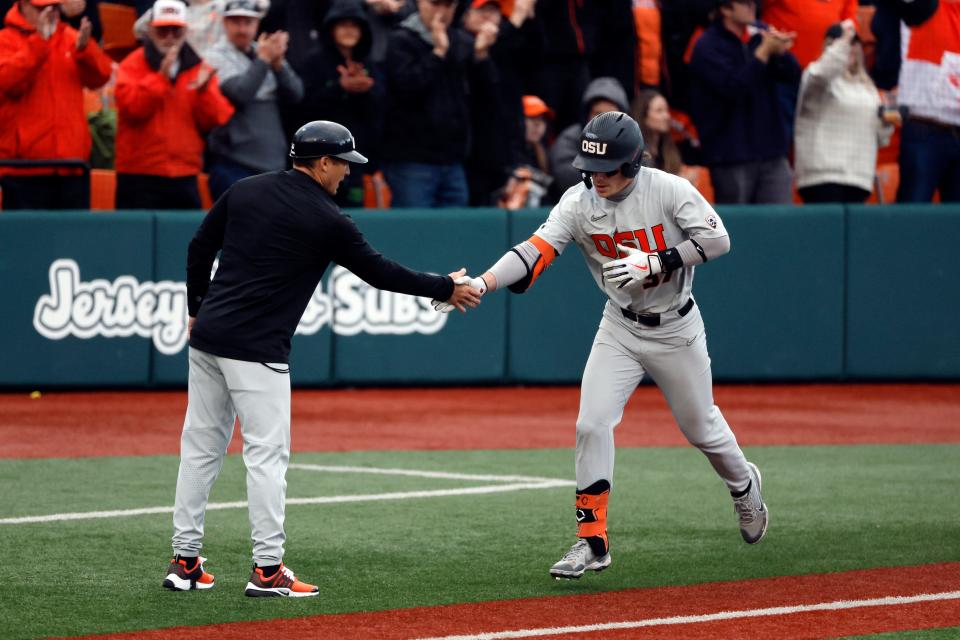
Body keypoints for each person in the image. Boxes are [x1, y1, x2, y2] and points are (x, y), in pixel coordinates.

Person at [435, 111, 767, 579]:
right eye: (590, 168)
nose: (597, 177)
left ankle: (742, 483)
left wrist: (658, 261)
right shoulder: (578, 201)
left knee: (701, 427)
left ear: (632, 164)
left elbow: (718, 240)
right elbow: (534, 251)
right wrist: (485, 284)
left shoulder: (667, 188)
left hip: (675, 325)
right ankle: (593, 541)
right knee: (591, 423)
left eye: (608, 167)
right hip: (620, 326)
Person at [164, 120, 482, 597]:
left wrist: (196, 309)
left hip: (209, 339)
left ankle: (185, 562)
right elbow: (379, 272)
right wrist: (445, 286)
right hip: (257, 350)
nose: (347, 175)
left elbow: (198, 247)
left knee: (201, 449)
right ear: (322, 162)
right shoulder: (325, 217)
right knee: (267, 458)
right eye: (344, 165)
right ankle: (267, 570)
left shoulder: (246, 190)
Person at [114, 0, 234, 209]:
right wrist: (161, 79)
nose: (169, 37)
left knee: (184, 240)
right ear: (150, 31)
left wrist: (204, 92)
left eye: (176, 31)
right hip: (139, 174)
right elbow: (133, 109)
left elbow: (216, 119)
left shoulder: (198, 67)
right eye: (163, 30)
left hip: (183, 174)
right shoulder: (131, 65)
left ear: (185, 31)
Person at [380, 0, 497, 208]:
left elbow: (487, 96)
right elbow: (406, 88)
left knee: (455, 233)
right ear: (419, 3)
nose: (441, 11)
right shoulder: (401, 39)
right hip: (412, 159)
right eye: (435, 4)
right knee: (415, 232)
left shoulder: (461, 40)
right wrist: (438, 53)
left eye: (448, 5)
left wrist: (481, 56)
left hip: (454, 159)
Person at [0, 0, 112, 209]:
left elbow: (102, 76)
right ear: (23, 5)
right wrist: (39, 43)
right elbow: (7, 82)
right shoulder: (4, 40)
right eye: (41, 8)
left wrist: (85, 51)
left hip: (71, 167)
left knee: (73, 240)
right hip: (23, 170)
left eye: (53, 7)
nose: (48, 13)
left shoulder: (70, 37)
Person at [688, 0, 801, 204]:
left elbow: (793, 76)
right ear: (725, 8)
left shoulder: (759, 36)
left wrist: (781, 52)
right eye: (745, 2)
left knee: (780, 226)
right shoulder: (708, 45)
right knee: (739, 227)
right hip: (731, 155)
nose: (752, 7)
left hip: (772, 151)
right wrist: (763, 54)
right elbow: (733, 87)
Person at [205, 0, 304, 200]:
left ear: (257, 24)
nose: (242, 29)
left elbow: (296, 94)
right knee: (239, 227)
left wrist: (278, 66)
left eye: (248, 22)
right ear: (225, 24)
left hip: (272, 162)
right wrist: (264, 60)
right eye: (236, 22)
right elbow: (240, 93)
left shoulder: (264, 51)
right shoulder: (213, 56)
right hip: (234, 162)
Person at [794, 20, 893, 204]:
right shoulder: (815, 76)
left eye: (854, 43)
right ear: (831, 47)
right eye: (844, 43)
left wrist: (888, 122)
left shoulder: (868, 89)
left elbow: (881, 138)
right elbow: (823, 73)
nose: (850, 47)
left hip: (858, 178)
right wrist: (844, 40)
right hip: (823, 177)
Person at [301, 0, 383, 208]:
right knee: (319, 214)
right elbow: (304, 107)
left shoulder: (369, 64)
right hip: (321, 161)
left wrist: (365, 90)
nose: (349, 30)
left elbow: (381, 108)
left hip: (355, 161)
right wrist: (339, 87)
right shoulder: (314, 62)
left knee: (353, 218)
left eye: (354, 25)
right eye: (343, 24)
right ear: (331, 28)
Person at [549, 76, 630, 196]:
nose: (604, 119)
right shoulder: (570, 139)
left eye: (611, 114)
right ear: (587, 115)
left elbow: (641, 173)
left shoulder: (630, 139)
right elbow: (567, 177)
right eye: (598, 113)